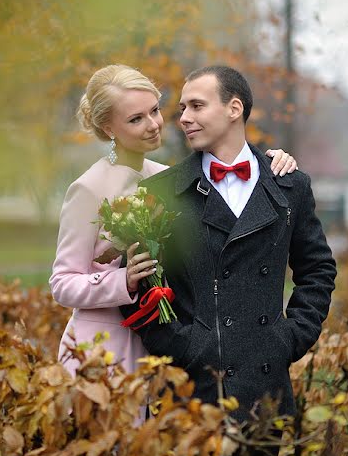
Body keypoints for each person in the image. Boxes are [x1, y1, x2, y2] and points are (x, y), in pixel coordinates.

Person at [120, 65, 337, 456]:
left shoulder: (290, 184)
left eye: (197, 105)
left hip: (262, 384)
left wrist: (289, 337)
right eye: (182, 107)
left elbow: (318, 270)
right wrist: (181, 345)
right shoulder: (160, 193)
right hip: (190, 388)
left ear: (234, 108)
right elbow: (137, 285)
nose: (183, 117)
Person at [50, 64, 299, 377]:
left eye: (154, 110)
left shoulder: (165, 178)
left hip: (159, 345)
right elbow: (62, 283)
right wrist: (122, 281)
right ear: (109, 128)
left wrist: (271, 162)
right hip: (101, 350)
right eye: (135, 119)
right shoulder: (89, 188)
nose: (153, 124)